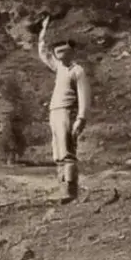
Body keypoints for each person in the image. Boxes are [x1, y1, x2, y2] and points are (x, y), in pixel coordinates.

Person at [38, 16, 91, 202]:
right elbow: (43, 52)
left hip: (68, 111)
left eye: (63, 49)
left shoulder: (77, 71)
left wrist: (81, 118)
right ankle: (62, 188)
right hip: (55, 112)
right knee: (57, 151)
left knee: (68, 151)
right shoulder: (59, 67)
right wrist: (43, 30)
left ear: (72, 50)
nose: (59, 52)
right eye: (57, 50)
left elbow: (84, 95)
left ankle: (70, 190)